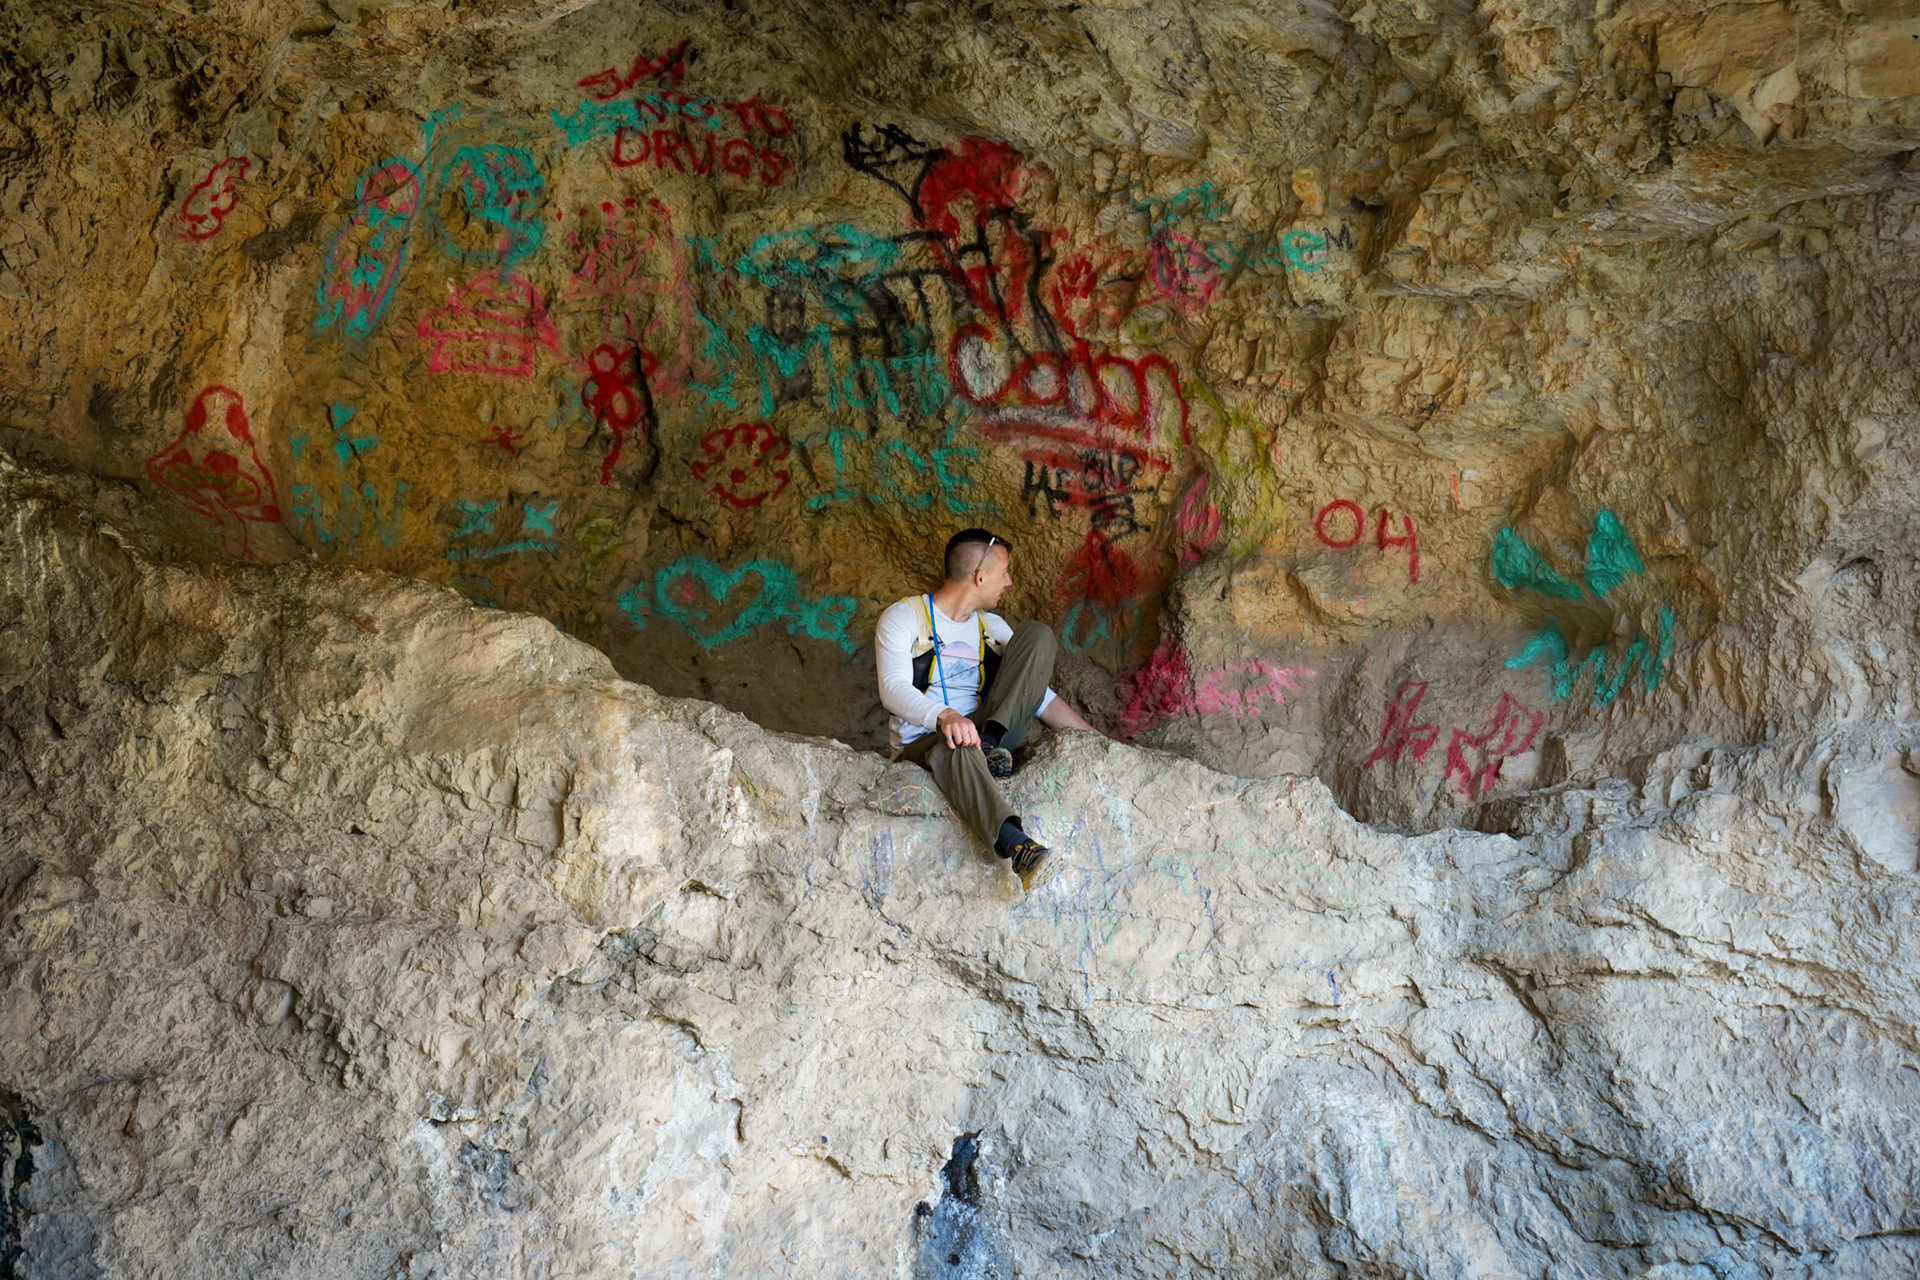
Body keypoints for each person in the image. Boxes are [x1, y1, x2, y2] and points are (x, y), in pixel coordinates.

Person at [875, 528, 1101, 890]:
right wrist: (945, 716)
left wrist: (1098, 741)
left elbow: (1036, 695)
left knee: (1037, 635)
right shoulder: (904, 617)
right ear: (980, 577)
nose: (1009, 582)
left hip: (984, 737)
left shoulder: (992, 627)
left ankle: (992, 743)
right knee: (957, 744)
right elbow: (892, 689)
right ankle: (1019, 846)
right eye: (1005, 572)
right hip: (928, 743)